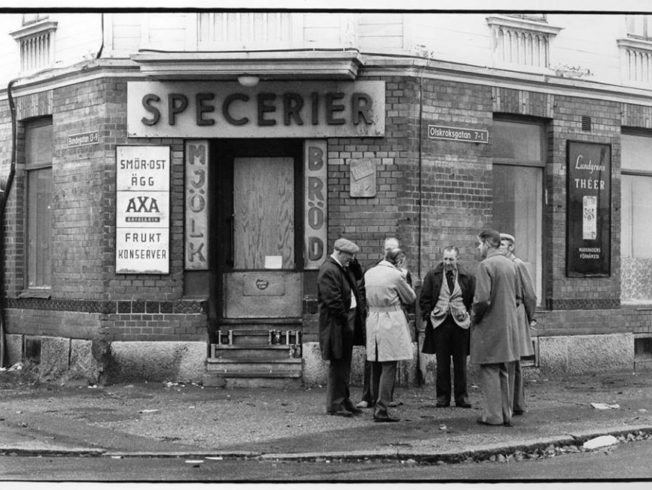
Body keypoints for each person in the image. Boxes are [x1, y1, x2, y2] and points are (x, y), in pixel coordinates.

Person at [471, 229, 520, 427]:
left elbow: (482, 299)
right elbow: (517, 297)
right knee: (503, 369)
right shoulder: (510, 264)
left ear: (488, 244)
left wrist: (474, 317)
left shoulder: (486, 265)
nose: (478, 248)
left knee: (489, 369)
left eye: (479, 244)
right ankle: (505, 414)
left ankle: (492, 415)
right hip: (508, 323)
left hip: (490, 324)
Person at [357, 237, 411, 409]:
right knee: (389, 364)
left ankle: (373, 399)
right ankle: (382, 407)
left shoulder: (369, 272)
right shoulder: (396, 274)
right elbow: (410, 297)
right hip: (390, 319)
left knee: (375, 362)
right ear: (399, 261)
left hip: (372, 318)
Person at [419, 246, 475, 408]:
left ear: (457, 259)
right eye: (445, 259)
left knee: (460, 363)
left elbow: (472, 298)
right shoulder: (432, 275)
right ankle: (442, 398)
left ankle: (461, 398)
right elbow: (424, 299)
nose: (447, 262)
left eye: (451, 259)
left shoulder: (467, 277)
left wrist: (468, 314)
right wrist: (429, 315)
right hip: (440, 323)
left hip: (461, 325)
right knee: (441, 362)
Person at [318, 238, 366, 417]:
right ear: (339, 252)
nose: (351, 259)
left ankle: (344, 400)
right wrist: (346, 321)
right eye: (350, 256)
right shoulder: (329, 270)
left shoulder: (341, 268)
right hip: (337, 325)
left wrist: (354, 262)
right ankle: (335, 404)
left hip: (345, 322)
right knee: (338, 364)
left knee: (345, 363)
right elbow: (333, 301)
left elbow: (359, 275)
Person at [500, 233, 537, 416]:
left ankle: (515, 404)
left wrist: (527, 317)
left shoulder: (517, 264)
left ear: (511, 247)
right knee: (513, 362)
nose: (500, 248)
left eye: (503, 245)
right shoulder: (502, 265)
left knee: (512, 361)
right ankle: (516, 403)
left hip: (516, 312)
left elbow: (530, 295)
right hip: (509, 312)